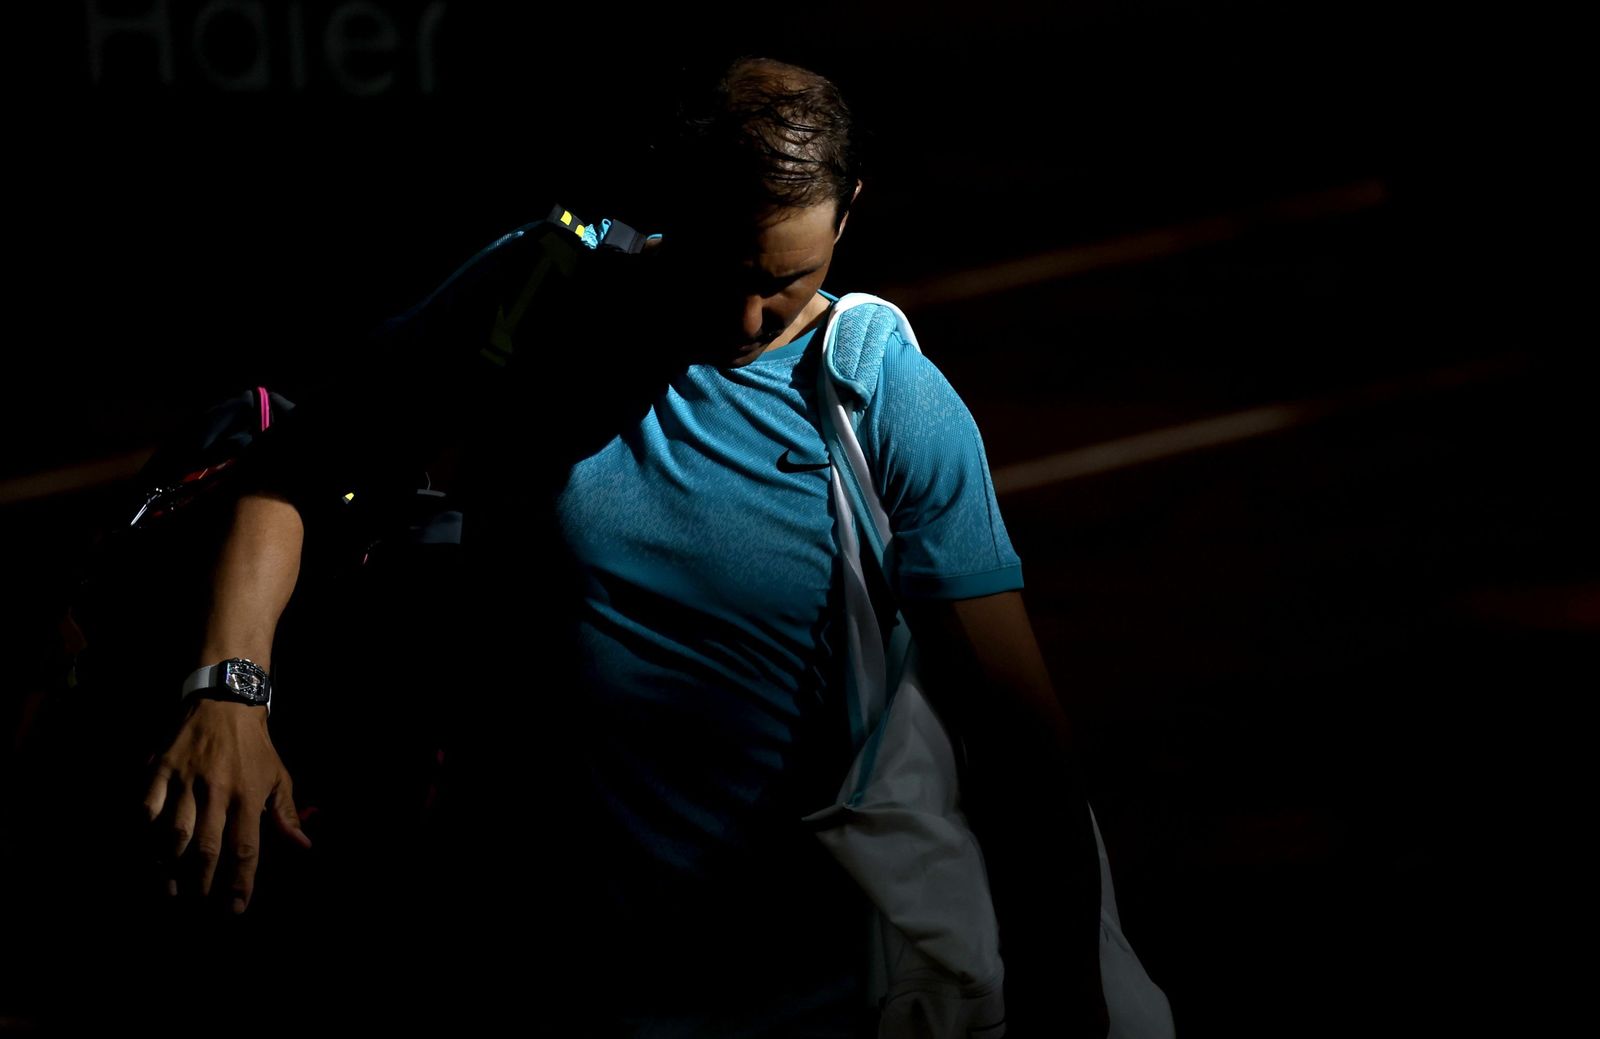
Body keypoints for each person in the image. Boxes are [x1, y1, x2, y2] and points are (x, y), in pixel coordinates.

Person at [133, 56, 1109, 1036]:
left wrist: (1070, 992)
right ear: (667, 202)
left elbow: (1021, 737)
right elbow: (293, 466)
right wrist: (229, 688)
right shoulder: (542, 291)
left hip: (793, 993)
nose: (742, 318)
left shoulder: (888, 405)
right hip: (512, 963)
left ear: (847, 212)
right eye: (720, 271)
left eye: (785, 283)